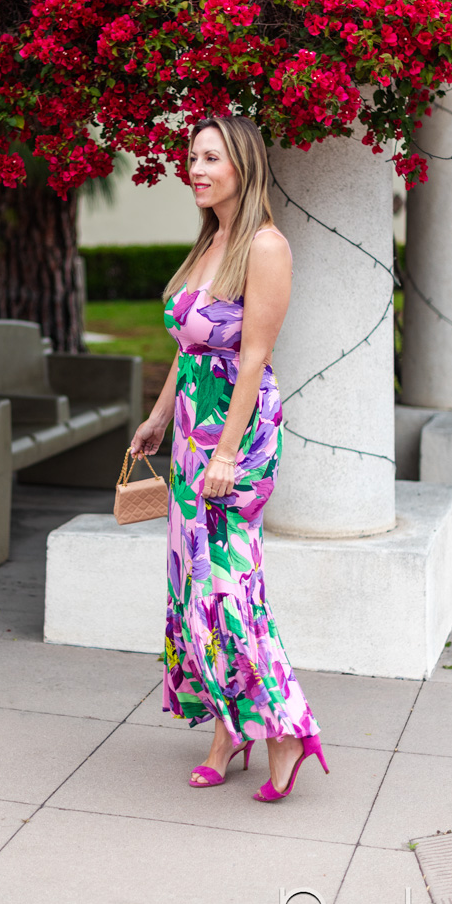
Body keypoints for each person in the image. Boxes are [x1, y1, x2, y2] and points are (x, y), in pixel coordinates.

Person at [129, 115, 327, 801]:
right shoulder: (211, 242)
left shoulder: (266, 247)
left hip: (235, 435)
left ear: (243, 165)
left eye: (211, 157)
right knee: (196, 587)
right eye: (192, 156)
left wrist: (228, 451)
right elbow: (190, 350)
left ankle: (286, 727)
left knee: (231, 585)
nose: (197, 168)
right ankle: (227, 729)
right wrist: (159, 417)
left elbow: (252, 359)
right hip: (189, 430)